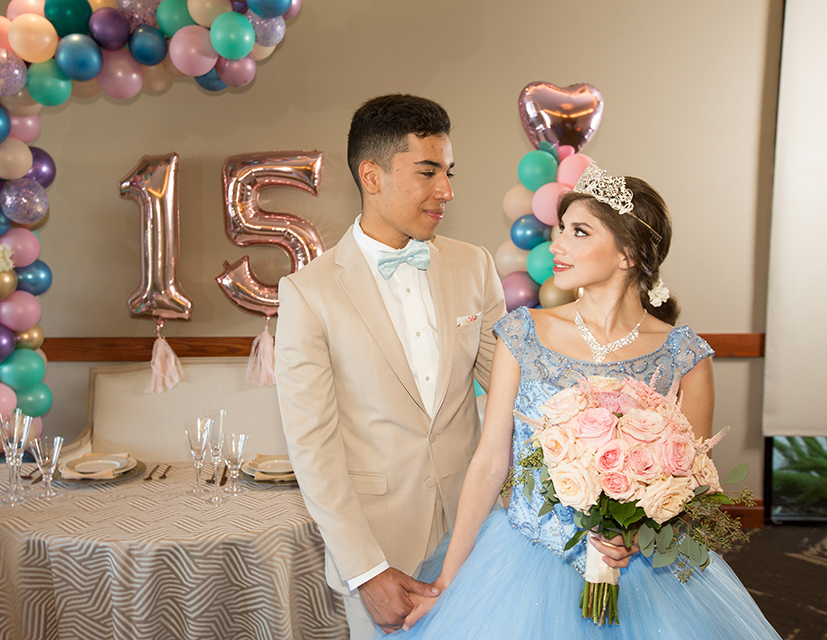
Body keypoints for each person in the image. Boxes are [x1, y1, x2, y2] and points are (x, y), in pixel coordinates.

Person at [389, 164, 781, 638]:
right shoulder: (524, 332)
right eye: (559, 231)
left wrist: (636, 538)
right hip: (525, 561)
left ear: (628, 254)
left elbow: (693, 485)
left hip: (643, 574)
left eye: (578, 232)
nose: (556, 245)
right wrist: (450, 579)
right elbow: (491, 461)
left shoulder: (685, 355)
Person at [273, 94, 507, 638]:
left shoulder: (475, 265)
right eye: (428, 172)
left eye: (448, 172)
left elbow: (512, 397)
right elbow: (313, 448)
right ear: (371, 175)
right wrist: (366, 570)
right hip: (382, 551)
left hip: (480, 534)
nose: (446, 190)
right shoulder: (308, 295)